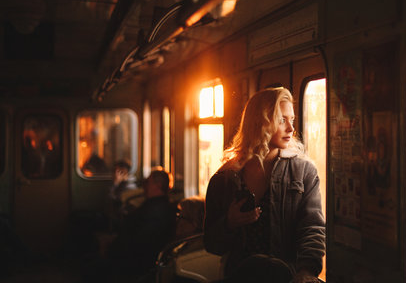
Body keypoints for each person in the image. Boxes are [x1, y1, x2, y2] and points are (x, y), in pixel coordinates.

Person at [204, 87, 325, 283]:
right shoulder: (225, 177)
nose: (291, 129)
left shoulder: (303, 171)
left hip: (287, 277)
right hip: (240, 276)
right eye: (282, 120)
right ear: (260, 122)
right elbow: (211, 244)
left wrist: (307, 271)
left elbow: (312, 227)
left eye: (292, 120)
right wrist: (229, 223)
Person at [84, 168, 177, 282]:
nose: (144, 186)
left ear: (157, 186)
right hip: (130, 254)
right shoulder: (155, 205)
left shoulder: (156, 211)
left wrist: (110, 249)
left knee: (90, 266)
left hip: (135, 262)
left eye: (147, 182)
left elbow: (140, 243)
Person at [108, 159, 138, 231]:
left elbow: (111, 199)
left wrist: (115, 183)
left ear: (125, 173)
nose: (115, 175)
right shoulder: (122, 184)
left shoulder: (130, 186)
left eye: (119, 172)